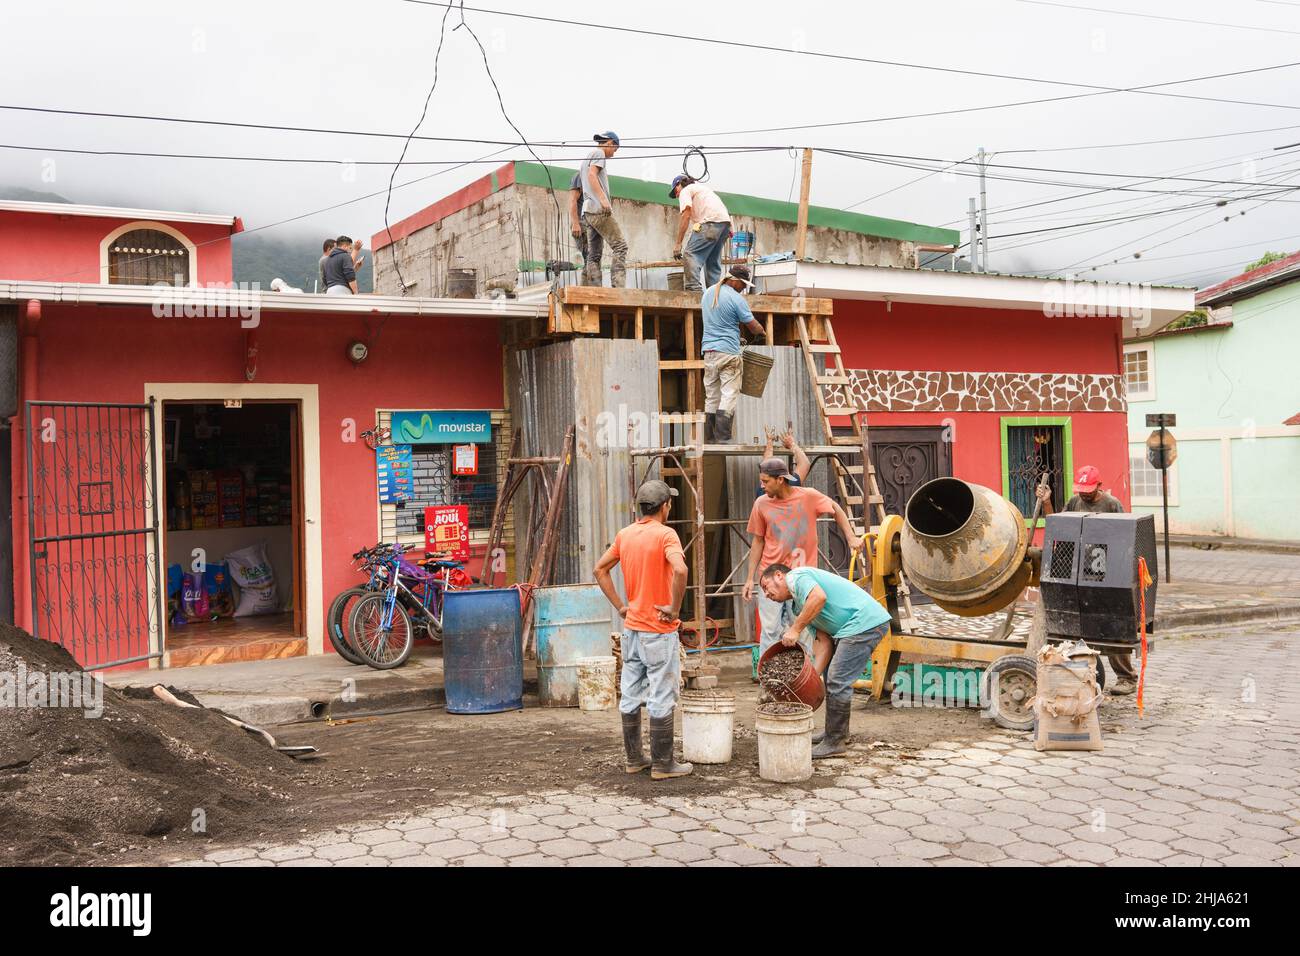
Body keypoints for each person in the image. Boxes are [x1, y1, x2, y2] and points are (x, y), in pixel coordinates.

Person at [593, 480, 692, 780]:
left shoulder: (625, 535)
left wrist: (621, 607)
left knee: (631, 692)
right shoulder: (666, 535)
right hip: (658, 631)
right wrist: (674, 609)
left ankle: (634, 759)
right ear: (665, 507)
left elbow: (600, 569)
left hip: (632, 629)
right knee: (662, 693)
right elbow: (681, 570)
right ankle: (663, 764)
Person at [759, 563, 891, 758]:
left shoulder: (797, 577)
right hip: (850, 630)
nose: (765, 594)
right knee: (832, 678)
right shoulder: (798, 606)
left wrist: (795, 629)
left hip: (864, 623)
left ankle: (835, 741)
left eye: (765, 586)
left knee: (838, 679)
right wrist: (809, 678)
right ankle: (837, 733)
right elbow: (825, 643)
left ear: (779, 575)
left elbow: (819, 597)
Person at [743, 458, 863, 663]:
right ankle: (768, 682)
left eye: (765, 481)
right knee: (770, 631)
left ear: (780, 479)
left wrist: (851, 537)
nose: (762, 486)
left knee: (804, 631)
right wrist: (749, 578)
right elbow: (758, 541)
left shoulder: (808, 496)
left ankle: (804, 680)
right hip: (771, 577)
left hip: (802, 579)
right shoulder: (761, 503)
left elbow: (836, 509)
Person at [1036, 464, 1136, 695]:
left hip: (1105, 570)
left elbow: (1124, 537)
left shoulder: (1112, 504)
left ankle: (1126, 678)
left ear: (1099, 486)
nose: (1084, 493)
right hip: (1078, 569)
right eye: (1081, 489)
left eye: (1089, 489)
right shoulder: (1074, 503)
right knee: (1076, 623)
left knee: (1111, 624)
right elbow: (1059, 526)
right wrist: (1047, 501)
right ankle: (1079, 673)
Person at [700, 265, 765, 442]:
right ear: (734, 280)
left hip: (709, 352)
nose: (744, 288)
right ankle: (723, 436)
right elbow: (752, 325)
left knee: (712, 395)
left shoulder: (708, 294)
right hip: (728, 352)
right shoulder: (737, 299)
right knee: (729, 393)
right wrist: (762, 332)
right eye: (743, 285)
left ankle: (709, 437)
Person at [580, 132, 629, 287]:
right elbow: (592, 176)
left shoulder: (587, 157)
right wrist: (603, 200)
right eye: (615, 149)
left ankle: (594, 289)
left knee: (593, 255)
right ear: (610, 143)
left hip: (588, 211)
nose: (613, 154)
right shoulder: (599, 153)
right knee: (620, 246)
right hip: (598, 208)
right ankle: (618, 289)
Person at [669, 175, 731, 291]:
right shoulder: (703, 190)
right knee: (712, 261)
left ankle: (694, 291)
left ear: (679, 184)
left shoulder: (686, 190)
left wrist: (678, 243)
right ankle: (714, 295)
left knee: (690, 254)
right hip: (724, 225)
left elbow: (686, 215)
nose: (676, 195)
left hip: (710, 222)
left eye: (675, 191)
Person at [569, 170, 600, 284]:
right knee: (589, 258)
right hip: (581, 224)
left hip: (590, 224)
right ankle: (586, 291)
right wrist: (575, 223)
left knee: (592, 259)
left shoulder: (595, 179)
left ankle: (589, 290)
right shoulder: (580, 176)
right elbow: (573, 200)